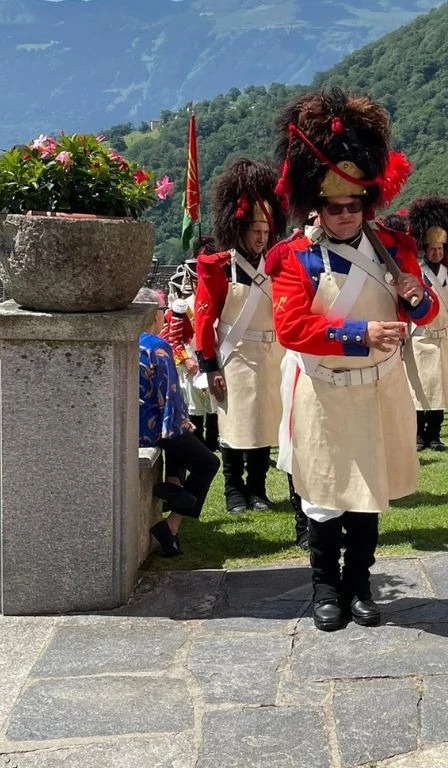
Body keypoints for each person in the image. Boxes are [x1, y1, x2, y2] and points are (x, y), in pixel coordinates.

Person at [268, 86, 437, 632]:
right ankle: (325, 588)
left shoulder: (395, 247)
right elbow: (292, 328)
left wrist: (416, 297)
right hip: (323, 388)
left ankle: (359, 584)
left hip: (379, 388)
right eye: (333, 206)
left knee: (367, 494)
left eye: (354, 205)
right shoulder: (296, 257)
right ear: (316, 206)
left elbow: (425, 311)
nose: (344, 215)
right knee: (322, 496)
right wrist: (361, 333)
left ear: (369, 202)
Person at [194, 159, 287, 514]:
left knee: (263, 424)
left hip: (270, 355)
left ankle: (258, 488)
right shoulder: (217, 267)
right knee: (234, 425)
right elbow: (204, 320)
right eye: (255, 230)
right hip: (233, 357)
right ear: (239, 229)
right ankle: (233, 490)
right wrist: (210, 366)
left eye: (266, 230)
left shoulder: (277, 265)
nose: (261, 237)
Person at [137, 288, 221, 558]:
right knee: (208, 461)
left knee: (181, 445)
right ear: (154, 315)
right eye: (163, 312)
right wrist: (183, 423)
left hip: (129, 427)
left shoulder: (129, 342)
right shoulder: (157, 346)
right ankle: (173, 520)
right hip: (151, 429)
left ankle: (173, 488)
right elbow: (170, 396)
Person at [405, 196, 448, 450]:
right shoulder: (415, 272)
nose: (436, 253)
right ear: (424, 249)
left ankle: (434, 435)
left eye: (440, 249)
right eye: (432, 249)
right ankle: (418, 435)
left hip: (443, 337)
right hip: (420, 337)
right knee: (418, 390)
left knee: (440, 391)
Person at [164, 237, 219, 453]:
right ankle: (198, 443)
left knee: (214, 405)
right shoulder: (182, 306)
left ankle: (213, 443)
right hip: (191, 361)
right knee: (195, 406)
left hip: (213, 359)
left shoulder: (218, 302)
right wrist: (185, 360)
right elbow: (173, 339)